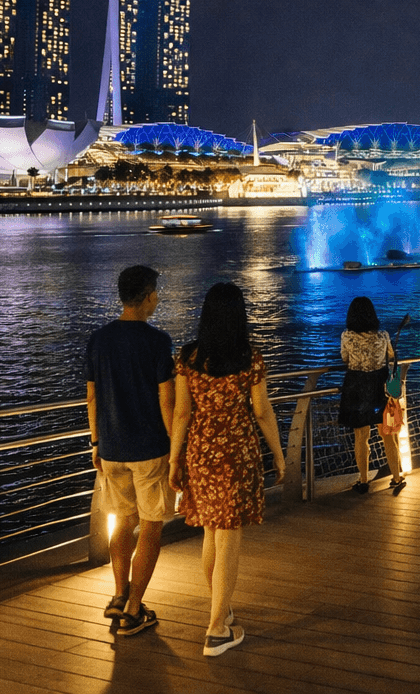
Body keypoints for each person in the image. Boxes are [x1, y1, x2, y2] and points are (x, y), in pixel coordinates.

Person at [168, 282, 286, 658]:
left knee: (211, 535)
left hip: (201, 453)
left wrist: (175, 459)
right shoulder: (249, 357)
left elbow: (182, 413)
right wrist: (279, 455)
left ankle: (222, 608)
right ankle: (217, 629)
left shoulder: (188, 358)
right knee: (229, 540)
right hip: (236, 455)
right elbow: (262, 411)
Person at [85, 265, 178, 635]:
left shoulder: (98, 340)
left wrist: (95, 442)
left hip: (111, 448)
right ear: (148, 296)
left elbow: (92, 396)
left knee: (122, 522)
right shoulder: (158, 342)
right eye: (156, 292)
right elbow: (167, 400)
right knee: (152, 527)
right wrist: (176, 449)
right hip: (150, 449)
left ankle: (119, 594)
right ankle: (135, 608)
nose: (157, 298)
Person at [338, 296, 405, 495]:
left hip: (356, 389)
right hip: (379, 389)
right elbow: (391, 356)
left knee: (361, 437)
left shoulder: (347, 336)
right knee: (387, 436)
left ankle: (364, 480)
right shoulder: (383, 335)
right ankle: (396, 477)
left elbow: (345, 358)